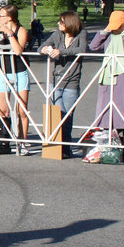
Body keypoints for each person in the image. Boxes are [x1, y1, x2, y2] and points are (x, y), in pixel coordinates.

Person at [39, 11, 88, 158]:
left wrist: (61, 51)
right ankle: (55, 145)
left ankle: (66, 148)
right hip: (56, 79)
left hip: (72, 79)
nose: (58, 24)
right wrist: (46, 49)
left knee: (68, 114)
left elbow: (82, 49)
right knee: (58, 112)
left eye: (61, 22)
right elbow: (42, 46)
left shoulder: (81, 34)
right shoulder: (57, 35)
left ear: (69, 23)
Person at [90, 10, 124, 159]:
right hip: (107, 77)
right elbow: (93, 46)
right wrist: (104, 31)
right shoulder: (109, 36)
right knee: (107, 115)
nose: (115, 28)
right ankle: (108, 151)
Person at [0, 4, 31, 155]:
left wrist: (10, 34)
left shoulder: (20, 31)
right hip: (2, 72)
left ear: (10, 17)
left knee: (21, 111)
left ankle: (22, 142)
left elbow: (18, 51)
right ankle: (4, 142)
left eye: (1, 15)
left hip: (19, 72)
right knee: (3, 110)